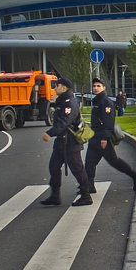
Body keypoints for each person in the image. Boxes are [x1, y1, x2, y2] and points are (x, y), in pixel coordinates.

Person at [85, 77, 136, 193]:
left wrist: (104, 138)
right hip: (95, 137)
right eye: (94, 86)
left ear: (104, 88)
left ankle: (135, 175)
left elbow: (108, 121)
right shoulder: (97, 101)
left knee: (114, 161)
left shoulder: (105, 102)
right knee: (89, 162)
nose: (95, 88)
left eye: (98, 86)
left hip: (102, 137)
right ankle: (89, 186)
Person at [40, 77, 92, 206]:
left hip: (70, 142)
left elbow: (65, 122)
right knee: (54, 167)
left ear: (64, 87)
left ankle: (86, 195)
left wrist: (49, 133)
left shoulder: (69, 103)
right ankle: (55, 196)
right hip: (61, 142)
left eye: (56, 86)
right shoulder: (62, 101)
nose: (55, 88)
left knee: (78, 169)